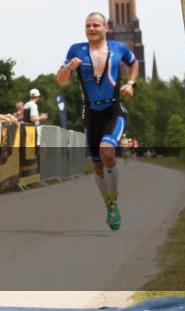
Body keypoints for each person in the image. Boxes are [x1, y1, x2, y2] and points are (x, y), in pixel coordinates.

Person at [56, 12, 138, 231]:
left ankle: (114, 200)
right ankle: (110, 204)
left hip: (113, 110)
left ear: (106, 27)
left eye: (96, 25)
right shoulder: (76, 49)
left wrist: (131, 83)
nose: (91, 29)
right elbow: (61, 81)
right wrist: (68, 68)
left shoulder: (118, 48)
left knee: (107, 152)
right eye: (88, 25)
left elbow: (134, 62)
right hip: (91, 113)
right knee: (97, 165)